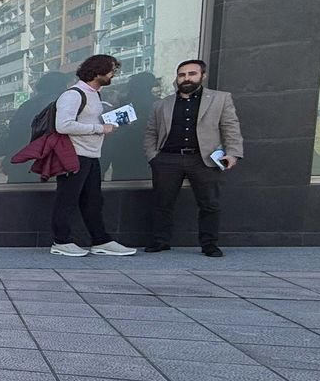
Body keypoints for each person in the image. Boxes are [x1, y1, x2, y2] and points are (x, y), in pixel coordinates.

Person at [143, 58, 242, 258]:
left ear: (202, 76)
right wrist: (153, 156)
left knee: (209, 204)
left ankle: (209, 245)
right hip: (167, 159)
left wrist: (233, 153)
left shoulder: (220, 99)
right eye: (182, 75)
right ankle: (160, 241)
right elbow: (151, 132)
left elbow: (230, 126)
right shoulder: (162, 104)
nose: (186, 78)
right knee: (162, 202)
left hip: (203, 159)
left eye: (191, 74)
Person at [50, 53, 136, 258]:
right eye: (111, 71)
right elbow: (63, 125)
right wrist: (99, 128)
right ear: (97, 72)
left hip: (90, 155)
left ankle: (101, 240)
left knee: (93, 201)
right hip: (74, 155)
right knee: (67, 199)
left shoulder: (94, 95)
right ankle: (61, 241)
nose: (113, 75)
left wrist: (113, 121)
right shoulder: (73, 94)